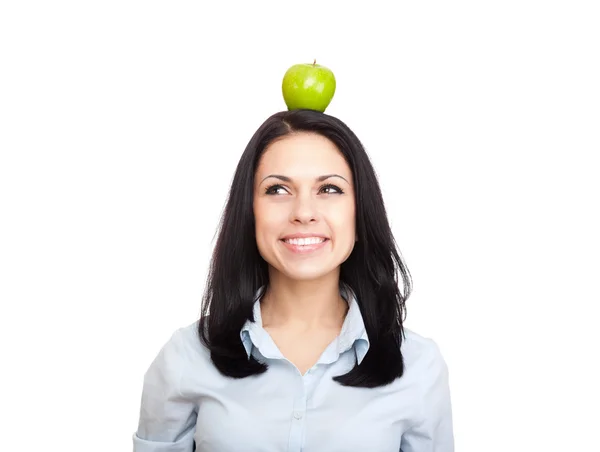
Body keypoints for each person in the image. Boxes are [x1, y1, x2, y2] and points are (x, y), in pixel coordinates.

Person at [132, 109, 454, 451]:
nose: (303, 211)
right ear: (249, 213)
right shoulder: (185, 357)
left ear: (360, 215)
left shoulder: (419, 366)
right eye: (278, 189)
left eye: (329, 189)